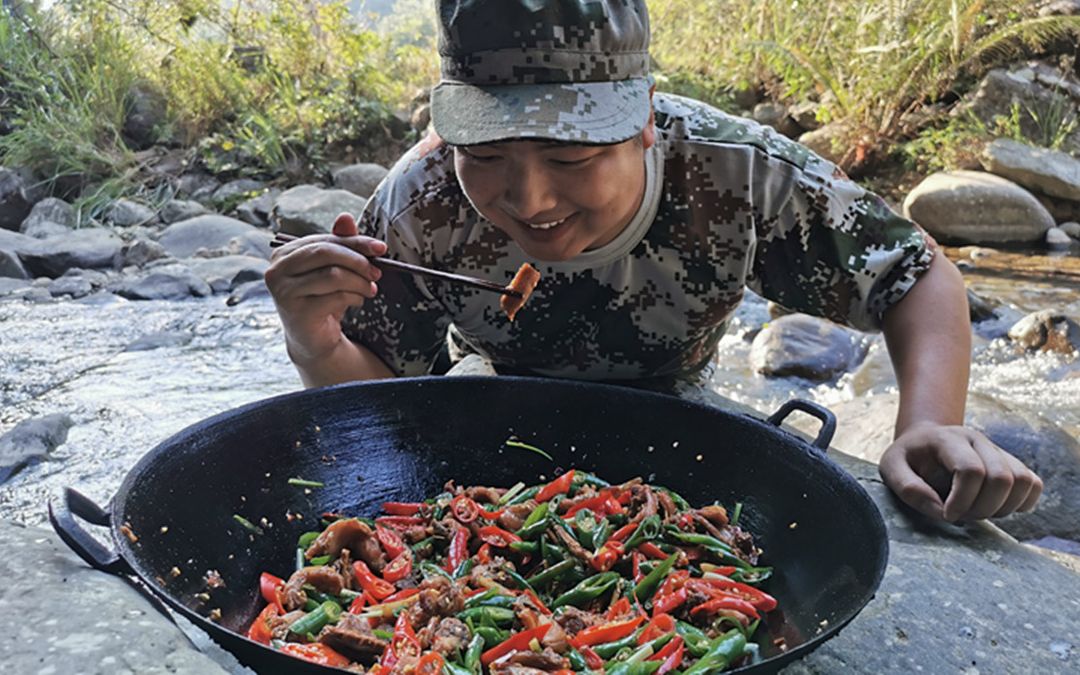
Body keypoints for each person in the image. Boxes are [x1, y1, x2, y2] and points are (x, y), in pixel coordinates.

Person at [265, 0, 1042, 524]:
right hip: (493, 409)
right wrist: (315, 338)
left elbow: (917, 274)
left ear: (641, 118)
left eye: (571, 155)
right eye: (488, 151)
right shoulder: (418, 202)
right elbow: (386, 413)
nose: (528, 198)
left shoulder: (739, 174)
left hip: (678, 398)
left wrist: (927, 423)